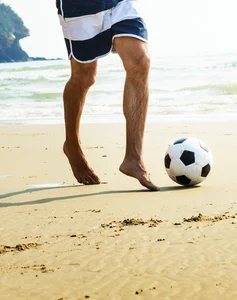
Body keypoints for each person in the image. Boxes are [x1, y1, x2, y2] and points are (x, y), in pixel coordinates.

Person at [55, 0, 159, 191]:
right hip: (79, 7)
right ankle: (72, 144)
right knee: (84, 76)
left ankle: (134, 158)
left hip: (119, 3)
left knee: (140, 62)